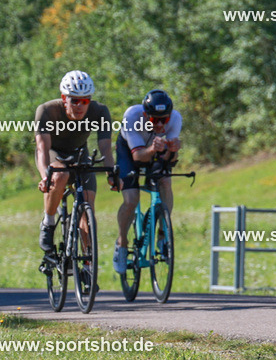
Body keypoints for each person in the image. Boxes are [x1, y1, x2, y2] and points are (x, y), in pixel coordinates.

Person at [36, 70, 116, 254]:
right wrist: (45, 176)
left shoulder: (100, 111)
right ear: (64, 98)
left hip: (79, 154)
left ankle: (88, 262)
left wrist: (111, 173)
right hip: (54, 153)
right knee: (60, 175)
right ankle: (48, 223)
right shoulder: (47, 110)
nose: (79, 106)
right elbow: (42, 148)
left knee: (88, 203)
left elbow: (105, 147)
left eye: (85, 101)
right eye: (74, 100)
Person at [112, 89, 182, 274]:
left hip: (154, 148)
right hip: (129, 151)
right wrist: (152, 149)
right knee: (131, 199)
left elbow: (170, 160)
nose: (159, 124)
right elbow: (137, 157)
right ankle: (122, 243)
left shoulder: (175, 118)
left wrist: (173, 150)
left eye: (163, 120)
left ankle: (162, 235)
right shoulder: (132, 116)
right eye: (154, 120)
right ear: (145, 115)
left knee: (165, 182)